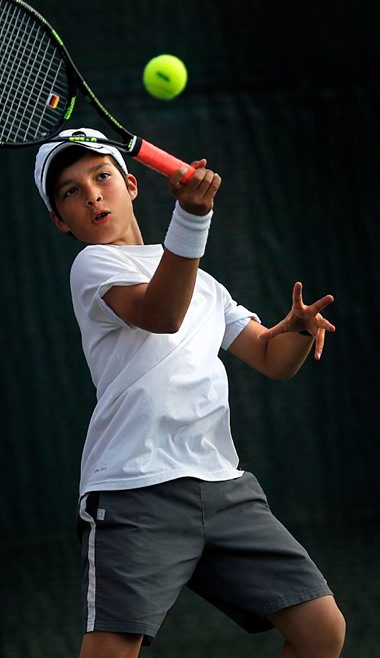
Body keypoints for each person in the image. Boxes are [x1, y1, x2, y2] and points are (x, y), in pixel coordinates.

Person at [34, 128, 346, 658]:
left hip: (224, 487)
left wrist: (294, 329)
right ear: (60, 220)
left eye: (101, 176)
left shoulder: (205, 284)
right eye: (69, 191)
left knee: (322, 630)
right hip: (136, 490)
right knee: (111, 651)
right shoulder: (93, 267)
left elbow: (270, 358)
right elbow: (161, 313)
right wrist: (192, 219)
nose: (90, 194)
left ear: (131, 185)